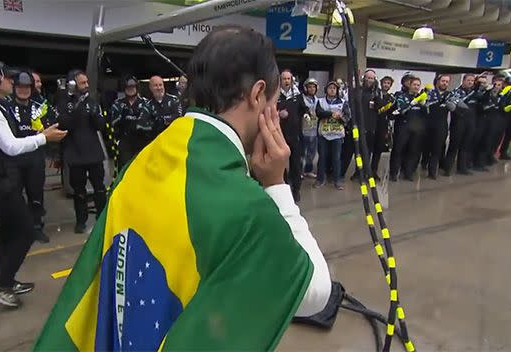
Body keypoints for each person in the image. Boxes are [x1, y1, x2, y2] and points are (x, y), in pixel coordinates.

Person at [34, 25, 333, 351]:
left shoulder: (149, 157)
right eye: (274, 102)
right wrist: (276, 185)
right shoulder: (242, 201)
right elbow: (314, 293)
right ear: (257, 94)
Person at [0, 60, 66, 307]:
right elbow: (10, 146)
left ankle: (5, 279)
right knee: (25, 232)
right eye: (7, 77)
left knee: (6, 233)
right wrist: (43, 138)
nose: (12, 82)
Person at [56, 69, 107, 234]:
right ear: (74, 84)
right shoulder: (65, 103)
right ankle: (81, 221)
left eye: (87, 82)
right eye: (82, 83)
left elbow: (101, 126)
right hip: (75, 153)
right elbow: (63, 124)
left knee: (100, 188)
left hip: (93, 153)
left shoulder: (92, 102)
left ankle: (102, 218)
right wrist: (77, 108)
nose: (86, 86)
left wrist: (94, 114)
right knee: (79, 191)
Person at [9, 70, 50, 243]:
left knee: (36, 194)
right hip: (14, 159)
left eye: (27, 87)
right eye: (20, 86)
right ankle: (15, 229)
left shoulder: (40, 106)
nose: (24, 90)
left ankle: (36, 227)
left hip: (35, 158)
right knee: (13, 195)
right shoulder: (6, 107)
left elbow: (51, 125)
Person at [109, 75, 157, 171]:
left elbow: (153, 123)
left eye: (133, 87)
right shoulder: (118, 104)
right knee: (124, 170)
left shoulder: (146, 103)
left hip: (142, 142)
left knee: (142, 170)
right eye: (128, 87)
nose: (130, 89)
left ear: (137, 88)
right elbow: (112, 124)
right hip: (125, 142)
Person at [442, 73, 482, 176]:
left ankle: (462, 168)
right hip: (458, 123)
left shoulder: (475, 93)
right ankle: (447, 168)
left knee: (465, 146)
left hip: (470, 123)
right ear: (463, 81)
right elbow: (453, 107)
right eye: (468, 80)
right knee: (453, 146)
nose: (470, 82)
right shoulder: (455, 92)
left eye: (472, 81)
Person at [389, 76, 427, 181]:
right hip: (403, 127)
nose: (416, 87)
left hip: (415, 129)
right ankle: (394, 173)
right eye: (414, 84)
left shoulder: (421, 98)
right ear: (410, 85)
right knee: (398, 150)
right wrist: (411, 103)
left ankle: (408, 173)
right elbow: (400, 110)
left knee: (413, 151)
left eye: (418, 85)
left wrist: (424, 105)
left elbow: (426, 114)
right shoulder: (402, 96)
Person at [278, 69, 307, 202]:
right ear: (281, 80)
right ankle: (283, 190)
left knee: (296, 164)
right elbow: (268, 110)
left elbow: (304, 109)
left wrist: (306, 115)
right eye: (284, 79)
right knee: (280, 164)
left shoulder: (297, 94)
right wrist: (278, 114)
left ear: (292, 80)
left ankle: (296, 190)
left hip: (295, 136)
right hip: (280, 136)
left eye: (288, 79)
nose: (286, 81)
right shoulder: (275, 95)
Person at [314, 81, 349, 190]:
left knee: (336, 158)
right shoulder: (320, 101)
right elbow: (318, 112)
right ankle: (320, 179)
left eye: (334, 88)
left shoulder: (343, 102)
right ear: (326, 90)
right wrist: (331, 114)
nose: (332, 90)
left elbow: (347, 116)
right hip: (323, 134)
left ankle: (337, 180)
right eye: (330, 88)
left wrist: (341, 118)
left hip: (337, 135)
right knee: (322, 157)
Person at [423, 74, 451, 179]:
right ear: (438, 81)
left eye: (447, 81)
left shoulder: (450, 95)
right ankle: (423, 164)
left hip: (441, 125)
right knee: (426, 148)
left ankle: (432, 171)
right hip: (428, 125)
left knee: (437, 149)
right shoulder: (430, 93)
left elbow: (455, 108)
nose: (445, 83)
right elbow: (425, 105)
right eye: (443, 81)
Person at [372, 75, 395, 180]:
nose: (386, 85)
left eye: (388, 83)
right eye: (385, 82)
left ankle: (373, 171)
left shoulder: (391, 98)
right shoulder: (375, 94)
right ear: (381, 83)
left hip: (383, 127)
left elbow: (391, 114)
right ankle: (361, 172)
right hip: (372, 125)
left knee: (378, 151)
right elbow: (375, 108)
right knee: (367, 150)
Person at [300, 78, 319, 178]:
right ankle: (300, 171)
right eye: (309, 87)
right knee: (302, 153)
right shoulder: (301, 99)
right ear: (306, 88)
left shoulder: (317, 100)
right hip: (303, 130)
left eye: (313, 87)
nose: (312, 89)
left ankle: (308, 170)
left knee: (311, 153)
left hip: (314, 131)